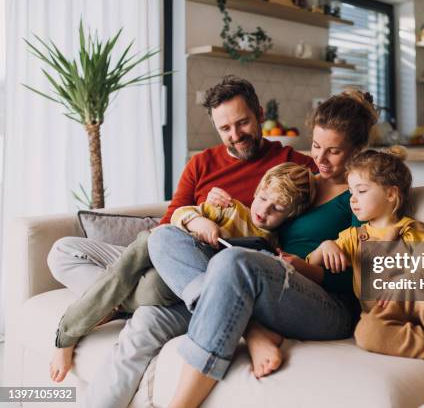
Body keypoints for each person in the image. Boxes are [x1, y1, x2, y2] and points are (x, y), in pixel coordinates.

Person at [46, 75, 315, 404]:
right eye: (225, 128)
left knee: (140, 330)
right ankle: (116, 301)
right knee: (64, 250)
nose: (235, 135)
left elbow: (321, 211)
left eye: (243, 123)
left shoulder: (294, 167)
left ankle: (113, 302)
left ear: (259, 114)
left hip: (216, 282)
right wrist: (197, 217)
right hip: (173, 258)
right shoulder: (201, 163)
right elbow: (165, 228)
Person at [146, 89, 377, 407]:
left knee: (234, 261)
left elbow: (367, 277)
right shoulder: (302, 180)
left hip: (329, 306)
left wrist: (309, 264)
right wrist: (216, 212)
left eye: (333, 152)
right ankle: (252, 329)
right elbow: (263, 224)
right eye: (316, 146)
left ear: (357, 149)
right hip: (273, 281)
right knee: (163, 238)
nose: (319, 160)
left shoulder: (361, 194)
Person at [49, 162, 315, 382]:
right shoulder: (230, 209)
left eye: (277, 209)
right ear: (257, 191)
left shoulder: (271, 248)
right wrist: (200, 220)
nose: (264, 210)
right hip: (158, 250)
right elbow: (180, 214)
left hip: (176, 282)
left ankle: (77, 325)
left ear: (292, 214)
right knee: (69, 250)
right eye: (263, 199)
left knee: (152, 282)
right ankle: (103, 308)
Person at [308, 148, 424, 372]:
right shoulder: (353, 238)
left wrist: (403, 281)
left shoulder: (411, 230)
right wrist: (325, 246)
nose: (353, 200)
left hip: (422, 301)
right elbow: (311, 264)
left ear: (391, 194)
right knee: (365, 332)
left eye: (361, 191)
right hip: (384, 312)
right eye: (351, 193)